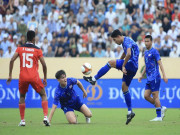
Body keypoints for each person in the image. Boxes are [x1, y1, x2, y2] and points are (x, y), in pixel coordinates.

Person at [83, 29, 139, 125]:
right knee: (124, 88)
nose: (114, 42)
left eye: (114, 40)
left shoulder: (126, 41)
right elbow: (126, 53)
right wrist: (120, 61)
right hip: (134, 68)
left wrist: (123, 65)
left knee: (110, 63)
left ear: (118, 36)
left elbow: (129, 54)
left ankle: (93, 79)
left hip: (130, 64)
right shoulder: (127, 41)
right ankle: (130, 112)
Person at [6, 30, 50, 126]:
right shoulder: (37, 50)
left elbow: (11, 60)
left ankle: (22, 121)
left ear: (27, 38)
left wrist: (10, 75)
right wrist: (45, 78)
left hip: (23, 76)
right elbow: (44, 65)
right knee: (43, 95)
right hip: (34, 76)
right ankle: (46, 117)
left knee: (22, 96)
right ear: (33, 38)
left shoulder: (20, 48)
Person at [138, 35, 168, 121]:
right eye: (145, 41)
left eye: (148, 41)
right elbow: (146, 66)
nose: (146, 43)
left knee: (155, 96)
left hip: (155, 77)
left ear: (151, 42)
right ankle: (161, 108)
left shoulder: (154, 51)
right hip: (149, 78)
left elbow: (160, 64)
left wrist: (164, 75)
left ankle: (159, 117)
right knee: (146, 96)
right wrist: (141, 75)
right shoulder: (146, 52)